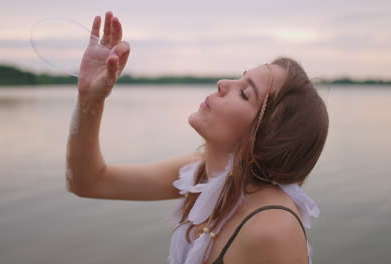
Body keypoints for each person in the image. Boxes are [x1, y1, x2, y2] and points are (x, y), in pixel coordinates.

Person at [66, 11, 328, 264]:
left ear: (266, 139)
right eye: (239, 78)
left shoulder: (273, 230)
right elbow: (88, 182)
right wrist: (90, 98)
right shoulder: (201, 172)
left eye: (245, 93)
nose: (223, 83)